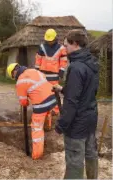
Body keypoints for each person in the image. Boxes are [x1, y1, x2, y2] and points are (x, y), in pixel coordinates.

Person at [53, 29, 99, 179]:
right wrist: (64, 89)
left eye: (66, 45)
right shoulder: (91, 62)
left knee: (74, 162)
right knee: (91, 153)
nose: (64, 49)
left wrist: (61, 125)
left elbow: (72, 102)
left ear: (75, 44)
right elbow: (87, 91)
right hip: (90, 119)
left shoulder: (75, 67)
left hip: (77, 124)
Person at [7, 63, 57, 159]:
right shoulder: (33, 70)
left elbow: (23, 102)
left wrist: (27, 101)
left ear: (14, 72)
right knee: (47, 111)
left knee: (36, 128)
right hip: (53, 98)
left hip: (41, 104)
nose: (15, 78)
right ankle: (47, 126)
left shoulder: (20, 82)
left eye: (13, 77)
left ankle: (37, 156)